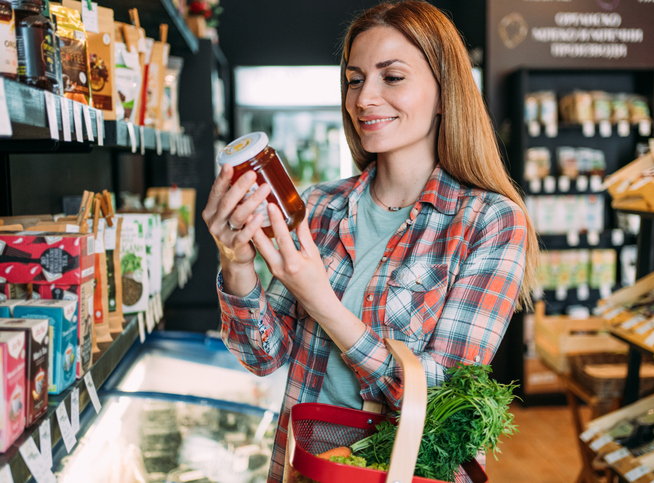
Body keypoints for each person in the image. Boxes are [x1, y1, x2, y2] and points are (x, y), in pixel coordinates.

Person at [203, 1, 539, 481]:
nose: (363, 99)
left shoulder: (490, 222)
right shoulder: (317, 207)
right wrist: (236, 264)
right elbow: (263, 357)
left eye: (393, 78)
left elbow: (445, 403)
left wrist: (323, 303)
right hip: (308, 468)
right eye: (355, 80)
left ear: (445, 94)